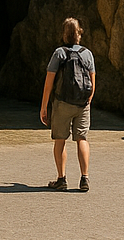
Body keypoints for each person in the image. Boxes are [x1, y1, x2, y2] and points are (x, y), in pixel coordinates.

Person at [40, 17, 96, 192]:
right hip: (82, 103)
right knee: (82, 139)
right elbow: (93, 83)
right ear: (79, 33)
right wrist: (87, 101)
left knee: (60, 140)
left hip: (62, 102)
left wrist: (44, 107)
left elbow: (49, 83)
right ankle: (84, 178)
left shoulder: (59, 53)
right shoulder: (87, 54)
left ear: (64, 34)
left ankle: (61, 179)